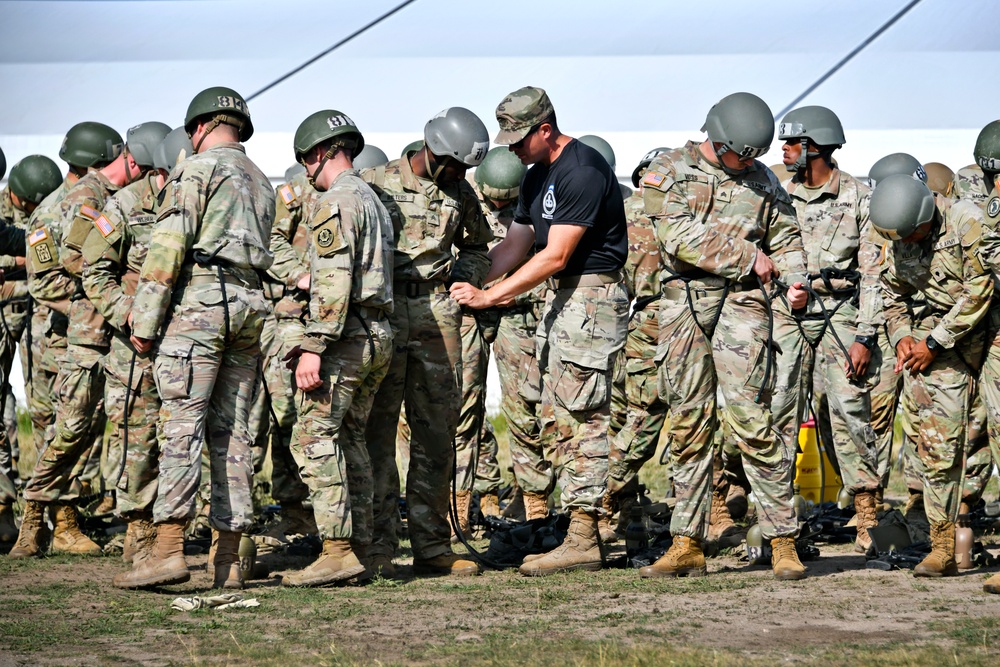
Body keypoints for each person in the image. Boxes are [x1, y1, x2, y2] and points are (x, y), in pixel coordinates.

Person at [450, 86, 629, 576]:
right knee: (558, 416)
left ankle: (585, 535)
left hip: (589, 295)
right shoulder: (538, 176)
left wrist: (492, 296)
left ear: (545, 129)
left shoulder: (583, 170)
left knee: (583, 415)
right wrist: (473, 276)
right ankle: (578, 531)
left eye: (518, 138)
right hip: (563, 300)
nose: (512, 149)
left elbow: (555, 255)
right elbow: (517, 243)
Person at [635, 92, 810, 581]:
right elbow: (677, 236)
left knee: (752, 420)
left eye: (754, 157)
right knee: (688, 422)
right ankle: (687, 542)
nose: (746, 164)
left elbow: (787, 240)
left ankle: (782, 540)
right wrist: (748, 255)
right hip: (684, 302)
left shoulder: (762, 179)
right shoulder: (669, 169)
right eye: (739, 154)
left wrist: (797, 281)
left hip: (743, 303)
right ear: (715, 137)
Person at [114, 86, 274, 589]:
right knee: (234, 434)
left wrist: (143, 323)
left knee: (182, 426)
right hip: (250, 307)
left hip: (201, 306)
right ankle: (228, 560)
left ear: (199, 127)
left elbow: (168, 246)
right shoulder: (262, 180)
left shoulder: (195, 170)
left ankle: (167, 551)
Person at [361, 107, 493, 578]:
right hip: (385, 310)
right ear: (430, 149)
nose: (459, 175)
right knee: (377, 430)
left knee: (438, 431)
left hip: (438, 313)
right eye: (454, 165)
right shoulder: (372, 183)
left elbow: (479, 245)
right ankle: (376, 545)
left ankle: (432, 544)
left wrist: (465, 279)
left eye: (466, 169)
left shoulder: (460, 191)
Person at [281, 110, 394, 586]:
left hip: (344, 336)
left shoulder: (336, 201)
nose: (305, 169)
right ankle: (361, 546)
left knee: (310, 438)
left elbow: (332, 280)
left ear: (324, 152)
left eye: (307, 158)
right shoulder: (372, 199)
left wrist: (314, 346)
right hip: (377, 333)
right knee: (349, 439)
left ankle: (338, 549)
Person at [13, 121, 134, 559]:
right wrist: (99, 303)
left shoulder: (103, 199)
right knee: (65, 428)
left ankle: (64, 517)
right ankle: (55, 522)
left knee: (86, 429)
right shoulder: (54, 211)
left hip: (94, 334)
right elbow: (46, 285)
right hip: (62, 339)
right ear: (98, 161)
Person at [770, 105, 883, 553]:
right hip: (792, 312)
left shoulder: (859, 196)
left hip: (842, 312)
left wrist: (865, 336)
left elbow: (873, 271)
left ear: (814, 147)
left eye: (792, 142)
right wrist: (786, 288)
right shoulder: (779, 194)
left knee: (850, 411)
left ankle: (866, 514)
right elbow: (769, 252)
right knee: (780, 407)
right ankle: (777, 520)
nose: (784, 148)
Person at [874, 174, 992, 578]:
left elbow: (980, 288)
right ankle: (943, 543)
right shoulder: (901, 236)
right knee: (937, 440)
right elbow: (891, 293)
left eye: (912, 234)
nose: (906, 243)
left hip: (990, 332)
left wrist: (934, 341)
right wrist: (902, 335)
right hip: (941, 340)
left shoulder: (966, 222)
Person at [80, 124, 184, 567]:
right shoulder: (123, 206)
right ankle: (138, 529)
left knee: (181, 436)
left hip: (184, 341)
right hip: (136, 348)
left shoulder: (192, 203)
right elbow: (93, 271)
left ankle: (176, 529)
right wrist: (130, 316)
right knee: (136, 439)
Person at [449, 147, 528, 540]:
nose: (499, 204)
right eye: (493, 197)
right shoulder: (462, 199)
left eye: (506, 200)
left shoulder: (532, 199)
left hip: (517, 312)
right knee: (464, 410)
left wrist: (516, 292)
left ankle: (532, 506)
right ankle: (466, 506)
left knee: (524, 411)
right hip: (470, 314)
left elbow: (549, 256)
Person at [606, 147, 671, 542]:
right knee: (645, 418)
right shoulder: (639, 216)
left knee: (637, 416)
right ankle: (604, 497)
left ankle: (612, 503)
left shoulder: (627, 216)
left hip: (640, 322)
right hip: (653, 322)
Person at [0, 154, 61, 543]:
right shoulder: (5, 206)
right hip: (8, 311)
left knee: (43, 405)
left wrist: (18, 267)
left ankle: (46, 507)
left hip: (36, 313)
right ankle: (5, 505)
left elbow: (52, 257)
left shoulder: (53, 208)